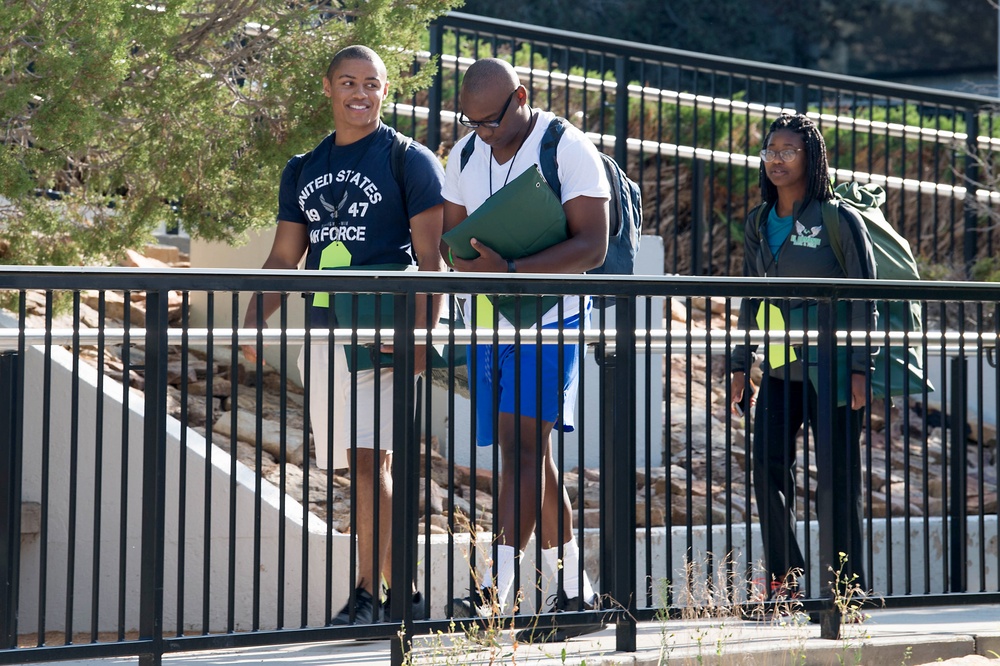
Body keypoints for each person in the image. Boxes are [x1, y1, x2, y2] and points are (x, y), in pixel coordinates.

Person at [241, 45, 446, 625]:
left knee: (371, 459)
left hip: (384, 329)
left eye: (372, 84)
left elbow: (432, 260)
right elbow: (285, 257)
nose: (361, 94)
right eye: (349, 83)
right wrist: (254, 320)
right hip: (325, 332)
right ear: (328, 88)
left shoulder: (409, 160)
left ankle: (373, 594)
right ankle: (399, 595)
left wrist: (418, 334)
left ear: (386, 91)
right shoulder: (303, 167)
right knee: (356, 466)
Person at [440, 58, 610, 643]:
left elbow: (592, 245)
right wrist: (469, 265)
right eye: (473, 122)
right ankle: (576, 594)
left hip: (550, 321)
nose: (483, 133)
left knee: (519, 451)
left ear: (522, 97)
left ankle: (495, 594)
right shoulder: (462, 156)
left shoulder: (566, 146)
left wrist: (511, 268)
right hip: (488, 325)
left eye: (491, 120)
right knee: (532, 457)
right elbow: (456, 242)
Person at [729, 113, 876, 612]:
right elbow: (750, 297)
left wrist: (861, 367)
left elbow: (865, 298)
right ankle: (785, 588)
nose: (776, 159)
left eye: (789, 151)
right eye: (771, 150)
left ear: (811, 158)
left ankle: (846, 592)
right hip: (777, 370)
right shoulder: (756, 221)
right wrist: (739, 363)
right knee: (766, 470)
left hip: (832, 370)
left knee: (836, 479)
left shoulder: (838, 220)